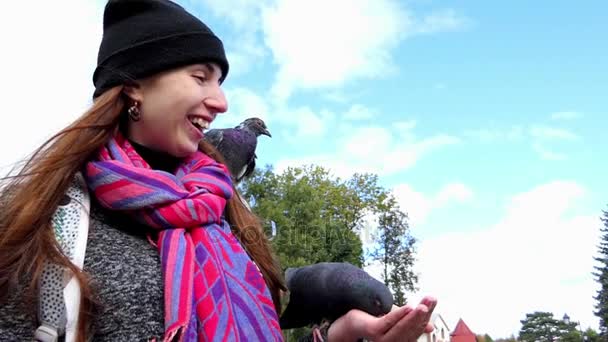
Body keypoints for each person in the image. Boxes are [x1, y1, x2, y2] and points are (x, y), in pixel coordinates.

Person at [0, 0, 437, 341]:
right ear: (133, 85)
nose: (222, 103)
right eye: (200, 77)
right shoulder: (42, 222)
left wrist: (338, 337)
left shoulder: (219, 204)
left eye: (221, 83)